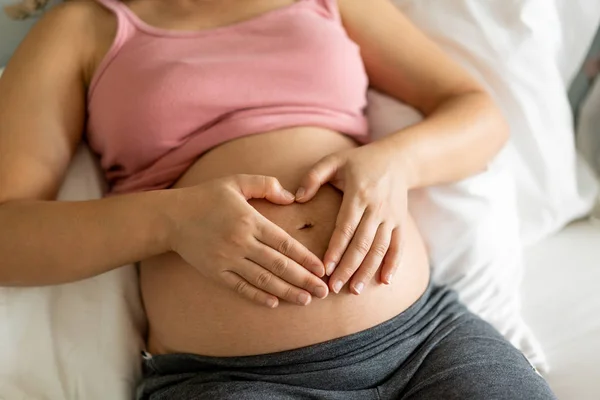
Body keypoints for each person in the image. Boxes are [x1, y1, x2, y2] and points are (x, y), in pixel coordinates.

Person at [0, 0, 557, 398]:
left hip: (429, 345)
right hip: (233, 380)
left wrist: (397, 162)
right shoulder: (80, 28)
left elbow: (475, 110)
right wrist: (171, 220)